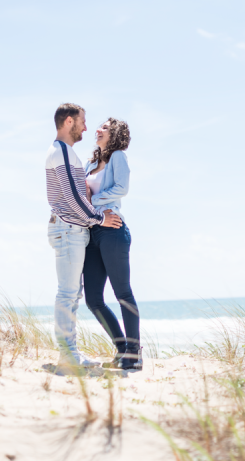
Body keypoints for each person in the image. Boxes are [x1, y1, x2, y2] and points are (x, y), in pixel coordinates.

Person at [45, 103, 122, 375]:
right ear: (69, 122)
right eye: (83, 121)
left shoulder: (65, 153)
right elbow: (74, 199)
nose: (86, 128)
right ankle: (67, 356)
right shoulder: (63, 153)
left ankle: (71, 353)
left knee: (72, 294)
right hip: (68, 229)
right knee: (67, 294)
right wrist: (101, 219)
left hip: (70, 230)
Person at [82, 118, 141, 370]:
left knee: (122, 293)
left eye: (104, 128)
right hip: (92, 232)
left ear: (115, 134)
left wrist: (92, 201)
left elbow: (122, 188)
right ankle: (121, 348)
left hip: (113, 230)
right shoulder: (90, 163)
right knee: (93, 299)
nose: (98, 130)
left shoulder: (118, 156)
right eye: (99, 127)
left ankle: (134, 351)